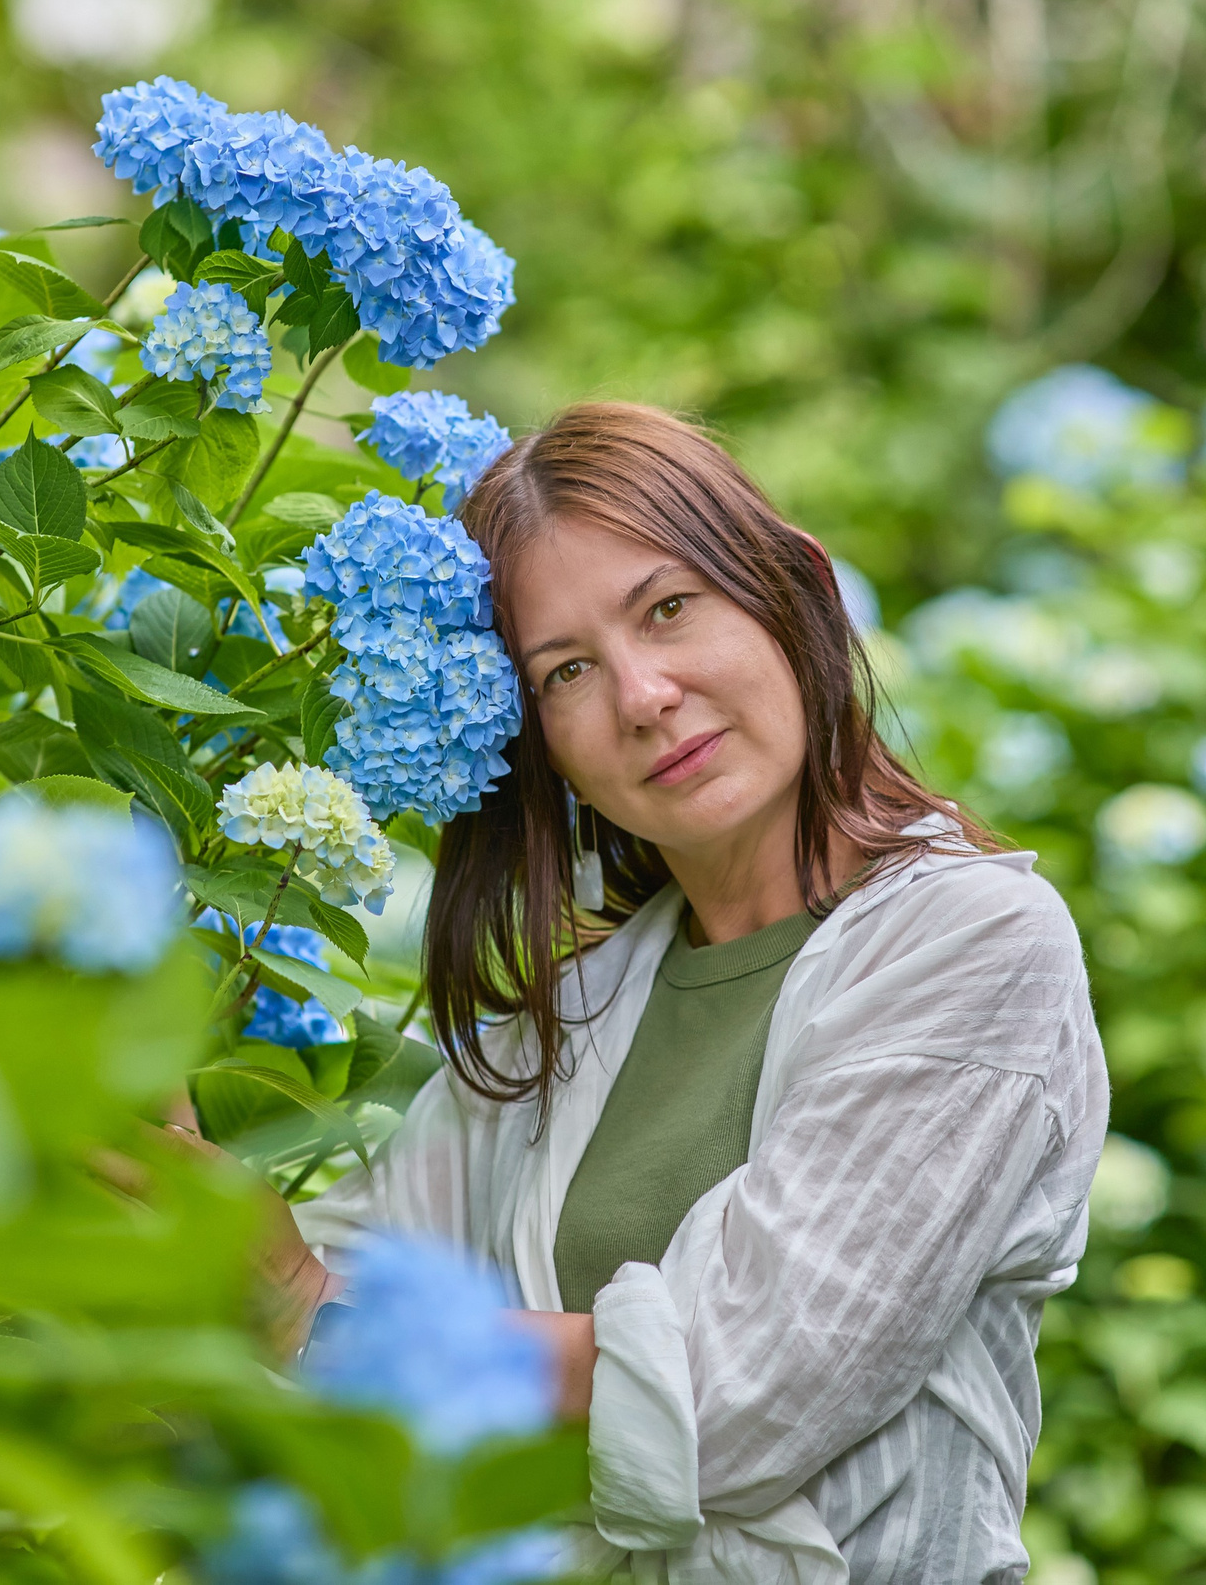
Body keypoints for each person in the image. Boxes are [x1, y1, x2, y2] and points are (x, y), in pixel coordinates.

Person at [201, 402, 1107, 1582]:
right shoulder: (580, 1001)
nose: (642, 694)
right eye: (566, 669)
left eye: (668, 607)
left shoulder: (970, 943)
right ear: (541, 742)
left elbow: (733, 1395)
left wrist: (317, 1318)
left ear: (793, 594)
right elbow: (348, 1267)